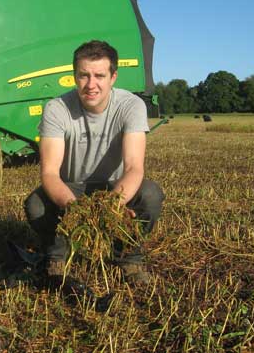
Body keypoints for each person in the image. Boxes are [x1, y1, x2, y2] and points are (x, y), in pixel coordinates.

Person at [24, 40, 164, 284]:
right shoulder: (56, 109)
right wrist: (78, 210)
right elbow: (49, 174)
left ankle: (129, 257)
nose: (91, 85)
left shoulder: (131, 105)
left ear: (113, 77)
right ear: (74, 76)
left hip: (115, 186)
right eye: (83, 75)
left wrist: (112, 206)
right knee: (35, 204)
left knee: (151, 194)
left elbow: (134, 167)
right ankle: (57, 254)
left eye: (99, 75)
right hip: (71, 186)